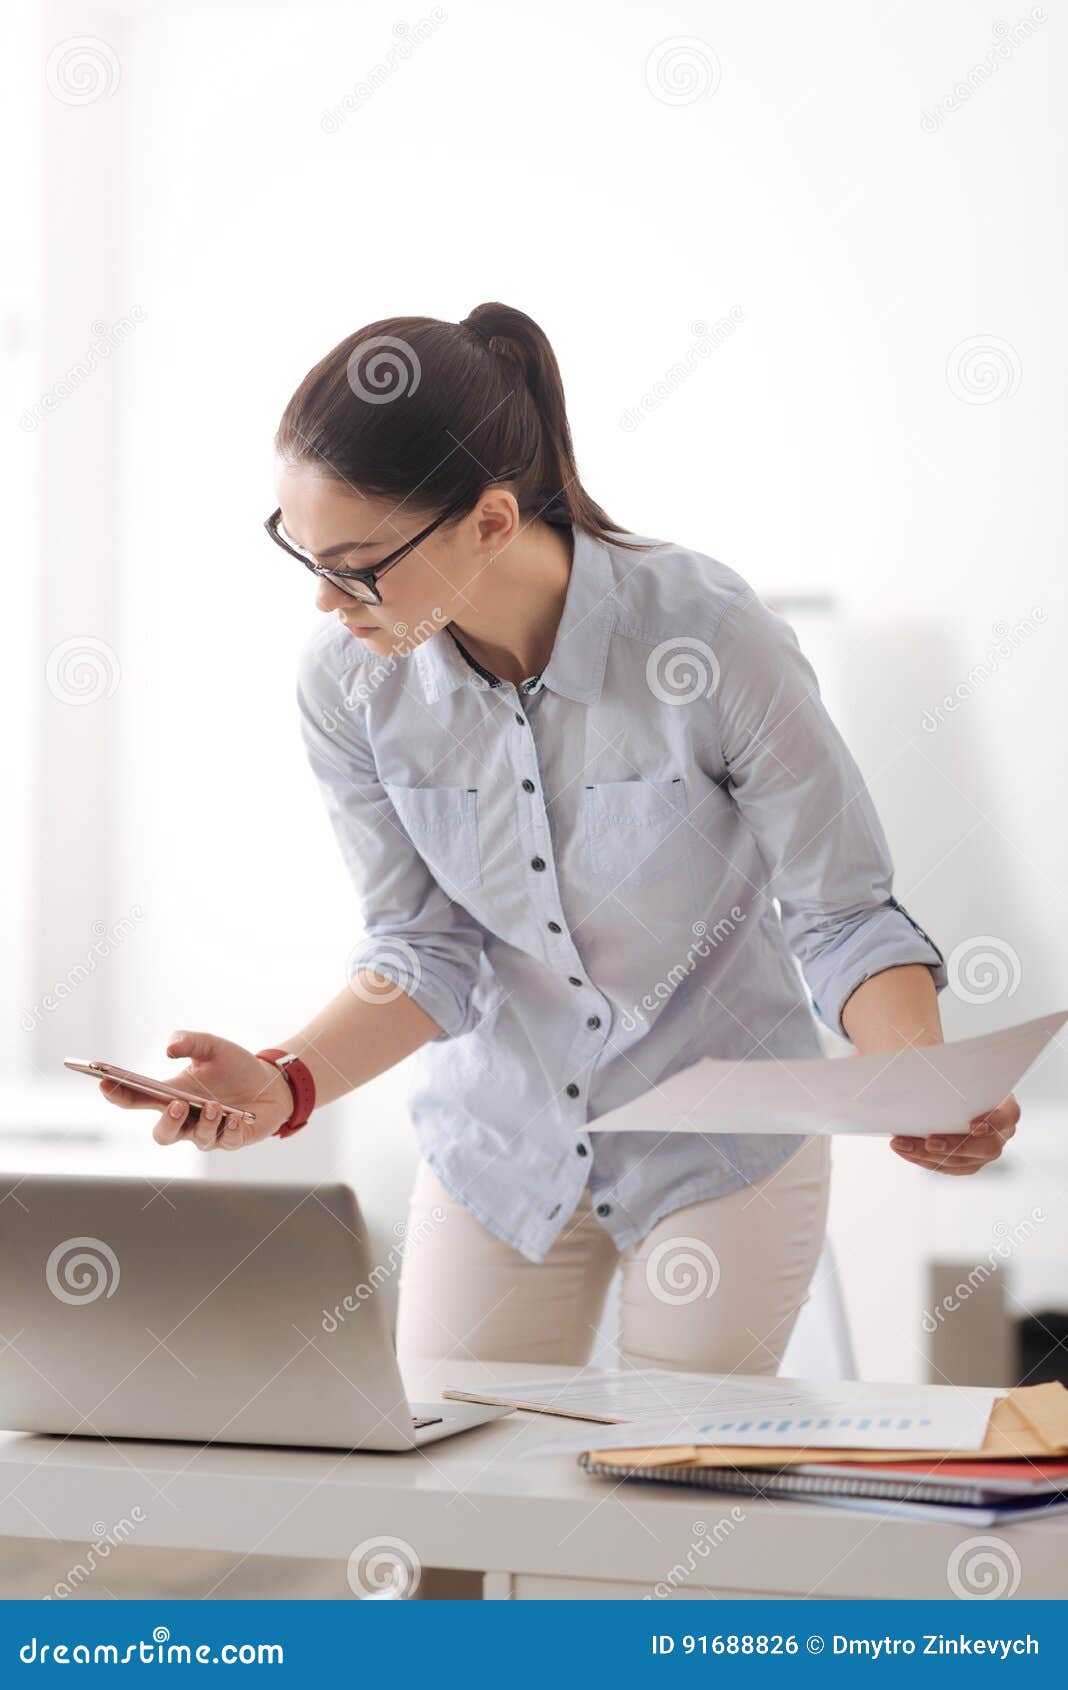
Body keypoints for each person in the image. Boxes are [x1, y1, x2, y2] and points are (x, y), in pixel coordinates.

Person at [101, 302, 1019, 1377]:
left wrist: (916, 1077)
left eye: (355, 564)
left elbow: (841, 908)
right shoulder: (350, 684)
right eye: (303, 553)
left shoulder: (707, 634)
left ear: (489, 522)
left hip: (716, 1149)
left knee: (665, 1501)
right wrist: (285, 1081)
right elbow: (423, 949)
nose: (324, 599)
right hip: (499, 1142)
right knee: (446, 1501)